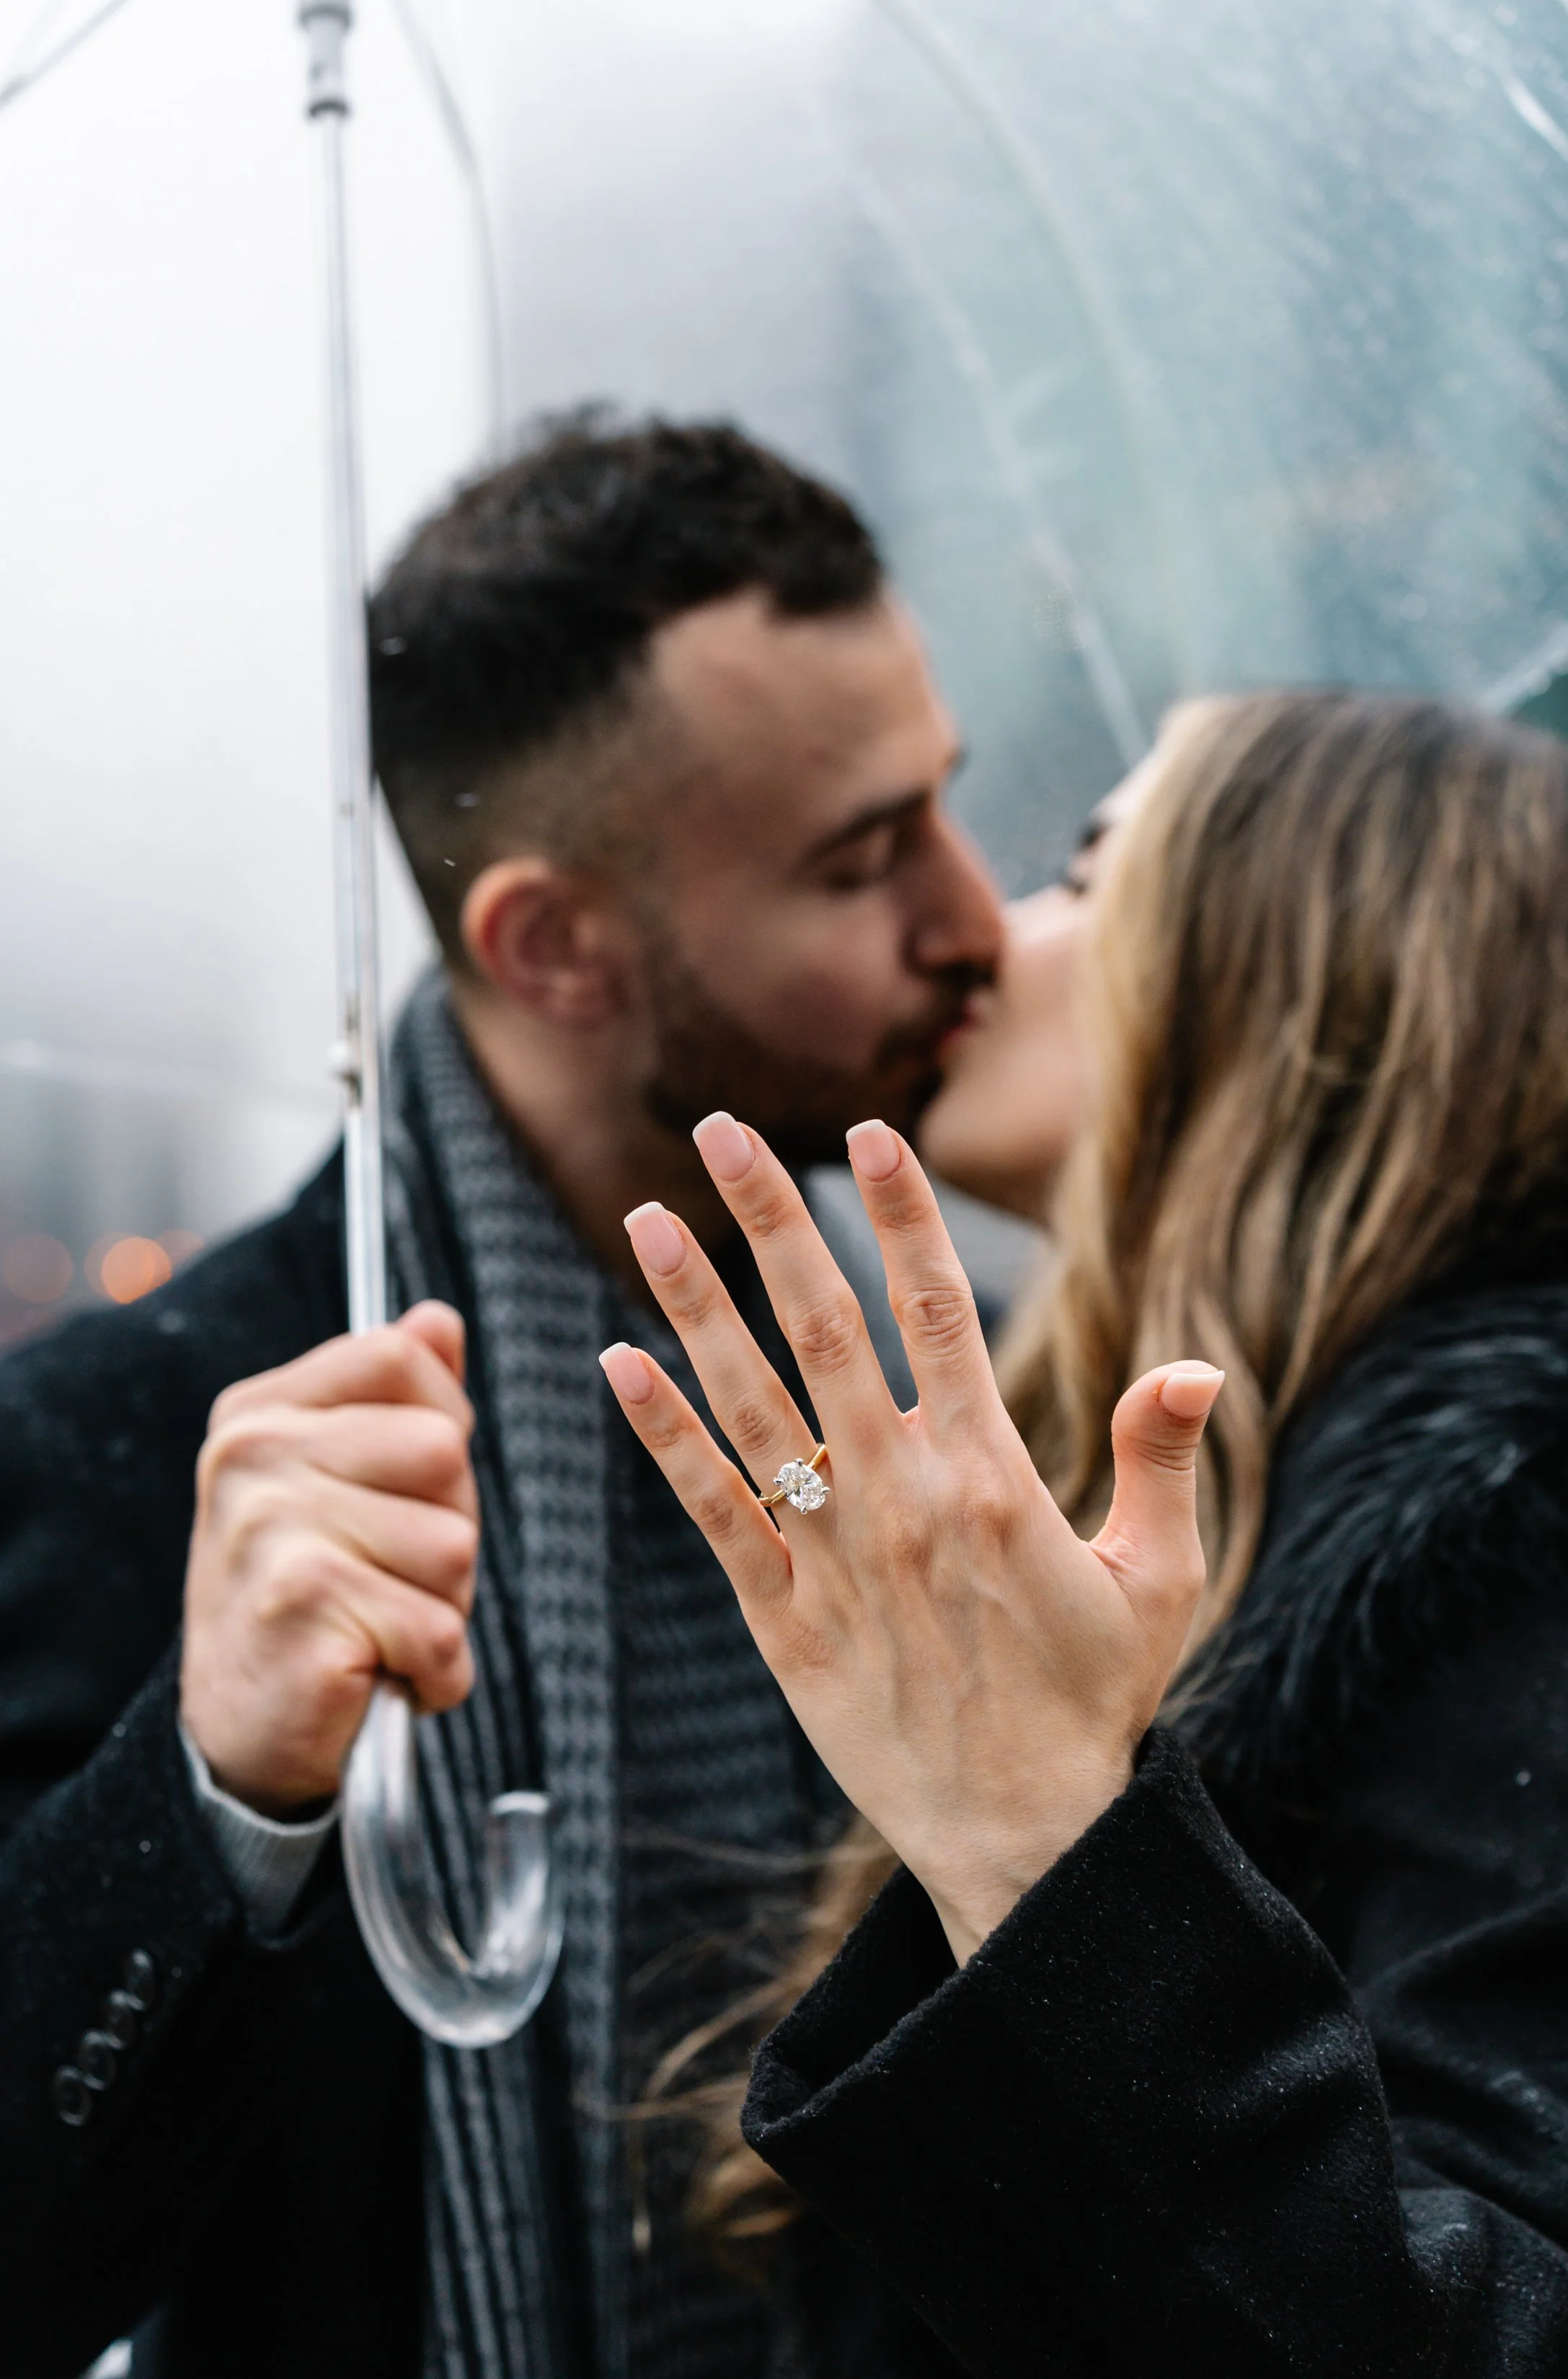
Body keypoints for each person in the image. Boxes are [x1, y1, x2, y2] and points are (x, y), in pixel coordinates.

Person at [0, 412, 1013, 2379]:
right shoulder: (156, 1433)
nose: (969, 918)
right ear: (549, 943)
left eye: (942, 809)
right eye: (861, 858)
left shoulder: (943, 1384)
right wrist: (217, 1789)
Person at [604, 690, 1568, 2374]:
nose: (991, 926)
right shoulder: (1136, 1495)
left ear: (1288, 965)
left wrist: (1039, 1847)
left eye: (1079, 871)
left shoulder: (1527, 1532)